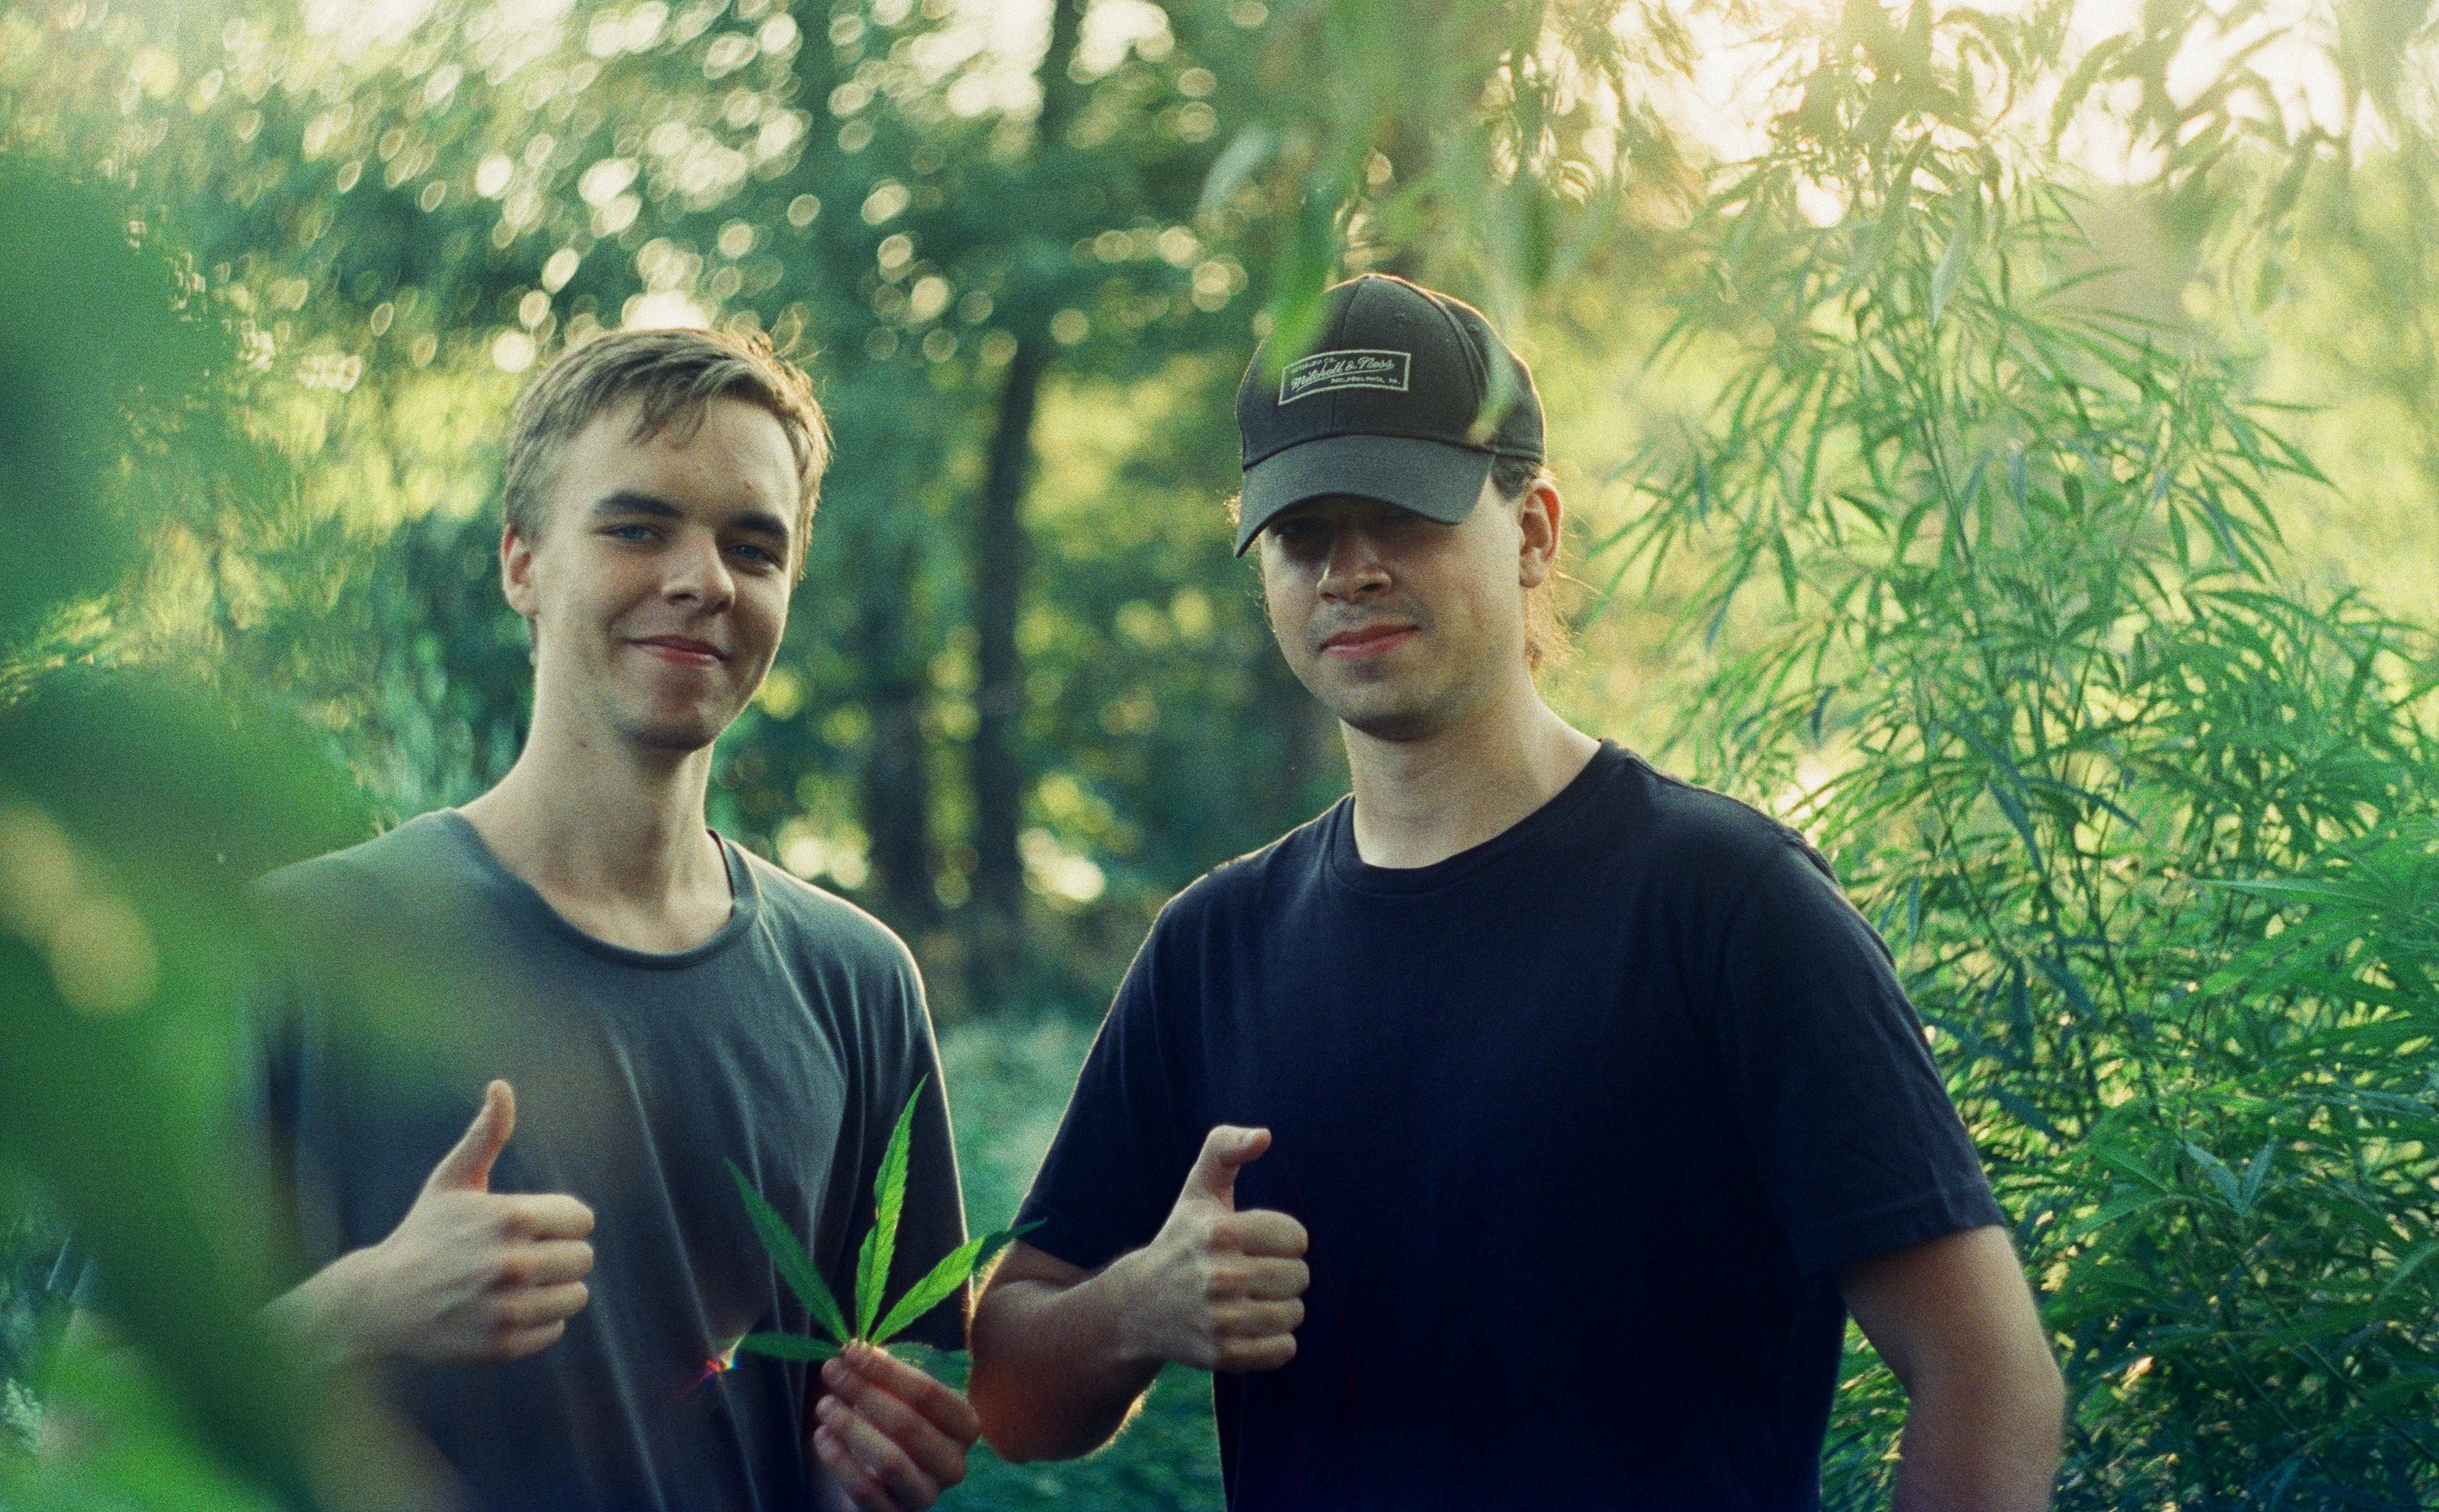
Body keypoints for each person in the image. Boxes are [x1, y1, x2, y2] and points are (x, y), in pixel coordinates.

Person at [967, 275, 2067, 1509]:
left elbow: (1988, 1375)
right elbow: (1008, 1392)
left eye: (1401, 515)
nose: (1348, 571)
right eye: (1302, 533)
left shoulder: (1726, 906)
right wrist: (1137, 1305)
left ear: (1534, 531)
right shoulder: (1213, 947)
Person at [55, 328, 979, 1512]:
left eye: (754, 546)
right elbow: (85, 1428)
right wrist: (368, 1305)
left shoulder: (856, 982)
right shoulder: (305, 946)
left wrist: (875, 1469)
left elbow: (860, 1416)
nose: (704, 579)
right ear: (522, 563)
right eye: (637, 528)